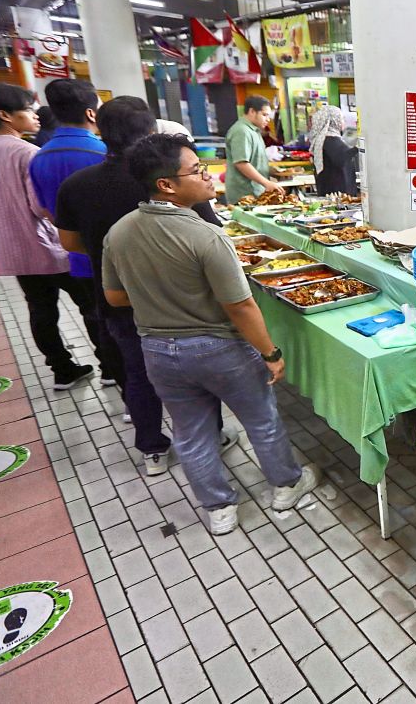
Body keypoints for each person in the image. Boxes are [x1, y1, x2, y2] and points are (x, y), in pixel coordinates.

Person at [101, 133, 318, 534]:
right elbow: (239, 305)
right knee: (261, 419)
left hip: (158, 350)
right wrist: (270, 353)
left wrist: (159, 294)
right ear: (167, 184)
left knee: (190, 431)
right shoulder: (205, 235)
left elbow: (114, 297)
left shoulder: (119, 232)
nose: (207, 177)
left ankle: (219, 509)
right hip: (219, 349)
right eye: (197, 171)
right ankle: (287, 485)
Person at [55, 97, 225, 476]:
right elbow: (212, 233)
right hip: (184, 303)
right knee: (197, 377)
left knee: (137, 372)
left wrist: (111, 251)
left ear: (99, 129)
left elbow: (70, 243)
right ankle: (210, 438)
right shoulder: (172, 183)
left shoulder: (77, 185)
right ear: (151, 132)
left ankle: (152, 449)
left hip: (118, 298)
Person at [0, 82, 96, 390]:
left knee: (40, 309)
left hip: (7, 246)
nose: (36, 115)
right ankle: (109, 365)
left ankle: (62, 370)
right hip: (47, 246)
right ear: (4, 115)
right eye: (27, 109)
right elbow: (42, 208)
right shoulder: (27, 152)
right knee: (90, 305)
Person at [28, 78, 122, 387]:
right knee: (121, 320)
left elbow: (47, 212)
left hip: (78, 255)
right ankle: (121, 375)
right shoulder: (105, 154)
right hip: (119, 258)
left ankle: (109, 371)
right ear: (92, 113)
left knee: (93, 314)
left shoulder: (38, 157)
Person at [224, 95, 280, 204]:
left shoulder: (254, 131)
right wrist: (266, 183)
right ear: (252, 111)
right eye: (264, 115)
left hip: (256, 190)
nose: (268, 119)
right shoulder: (242, 131)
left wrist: (274, 172)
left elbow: (254, 162)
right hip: (244, 192)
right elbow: (241, 163)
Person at [307, 104, 358, 195]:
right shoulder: (330, 140)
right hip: (337, 193)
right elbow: (340, 159)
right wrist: (357, 148)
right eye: (341, 118)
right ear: (333, 120)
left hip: (330, 189)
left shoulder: (324, 139)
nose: (343, 122)